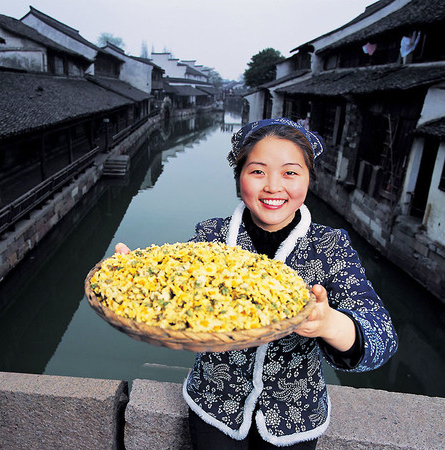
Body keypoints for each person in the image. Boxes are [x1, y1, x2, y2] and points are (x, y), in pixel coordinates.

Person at [115, 117, 398, 449]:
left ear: (309, 179)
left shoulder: (330, 247)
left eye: (290, 172)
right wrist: (139, 278)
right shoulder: (211, 237)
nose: (273, 187)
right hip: (215, 403)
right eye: (257, 171)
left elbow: (383, 338)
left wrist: (328, 322)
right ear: (240, 180)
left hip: (295, 415)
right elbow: (178, 294)